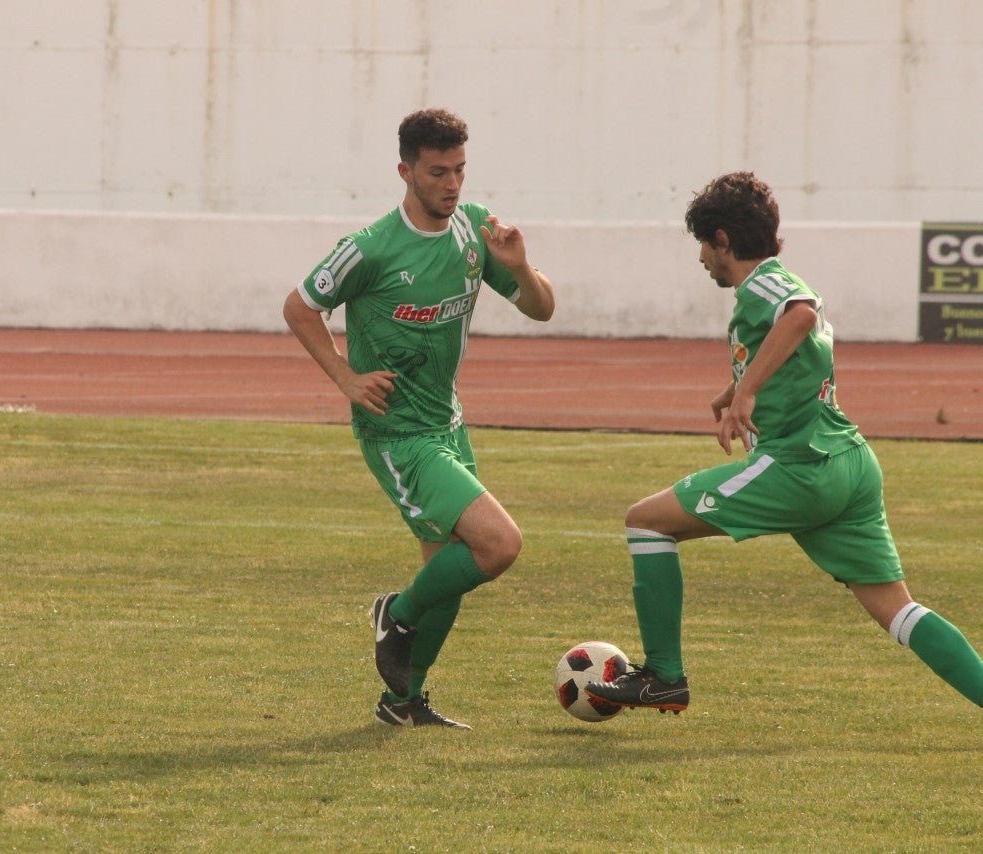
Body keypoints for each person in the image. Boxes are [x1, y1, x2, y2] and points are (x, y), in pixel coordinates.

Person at [585, 172, 983, 714]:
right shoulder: (773, 282)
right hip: (850, 463)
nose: (702, 258)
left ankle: (664, 677)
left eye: (703, 244)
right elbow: (798, 346)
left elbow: (800, 315)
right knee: (900, 611)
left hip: (800, 465)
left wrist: (745, 394)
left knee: (646, 521)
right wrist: (735, 389)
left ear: (722, 239)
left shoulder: (766, 284)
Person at [283, 108, 555, 729]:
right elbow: (300, 307)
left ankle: (403, 703)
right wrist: (346, 378)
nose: (452, 184)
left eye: (460, 170)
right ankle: (396, 614)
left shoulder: (477, 232)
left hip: (448, 423)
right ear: (405, 170)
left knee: (449, 571)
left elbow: (542, 310)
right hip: (398, 433)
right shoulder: (370, 249)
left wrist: (517, 266)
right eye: (437, 172)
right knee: (498, 544)